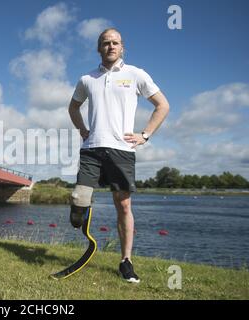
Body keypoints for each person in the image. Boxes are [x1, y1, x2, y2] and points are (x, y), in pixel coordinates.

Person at [68, 28, 170, 283]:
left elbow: (163, 105)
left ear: (122, 47)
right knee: (79, 197)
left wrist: (145, 135)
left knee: (123, 205)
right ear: (99, 48)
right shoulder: (86, 79)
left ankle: (126, 261)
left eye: (115, 43)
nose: (111, 46)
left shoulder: (136, 74)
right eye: (105, 43)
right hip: (92, 147)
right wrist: (82, 128)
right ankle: (78, 214)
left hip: (122, 149)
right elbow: (73, 106)